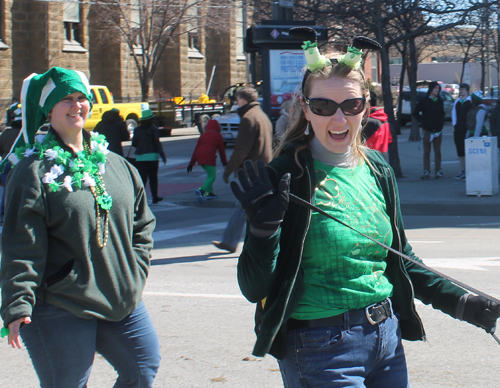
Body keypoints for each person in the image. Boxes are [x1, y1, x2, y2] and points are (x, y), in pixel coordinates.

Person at [230, 29, 500, 387]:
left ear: (365, 107)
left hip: (386, 340)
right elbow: (254, 289)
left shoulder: (377, 168)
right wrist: (262, 232)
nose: (339, 120)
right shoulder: (285, 176)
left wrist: (463, 303)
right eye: (324, 106)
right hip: (319, 349)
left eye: (351, 106)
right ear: (305, 108)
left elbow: (400, 258)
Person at [0, 67, 160, 387]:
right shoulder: (34, 171)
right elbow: (21, 242)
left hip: (120, 297)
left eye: (81, 98)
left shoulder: (116, 164)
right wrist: (18, 301)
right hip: (61, 303)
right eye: (66, 100)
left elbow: (142, 223)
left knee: (142, 366)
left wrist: (135, 270)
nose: (76, 106)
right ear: (50, 109)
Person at [212, 85, 273, 253]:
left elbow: (241, 150)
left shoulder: (248, 118)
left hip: (252, 170)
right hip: (263, 168)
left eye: (238, 99)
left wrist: (228, 169)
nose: (237, 102)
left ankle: (230, 241)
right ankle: (236, 241)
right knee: (255, 208)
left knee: (244, 206)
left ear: (242, 100)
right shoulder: (262, 116)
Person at [187, 119, 227, 203]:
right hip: (209, 156)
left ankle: (209, 193)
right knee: (212, 176)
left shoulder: (203, 135)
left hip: (199, 156)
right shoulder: (218, 136)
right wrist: (224, 162)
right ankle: (202, 190)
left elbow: (196, 149)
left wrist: (191, 163)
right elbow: (221, 150)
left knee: (209, 175)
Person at [132, 109, 167, 204]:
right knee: (153, 178)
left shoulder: (137, 130)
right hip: (152, 157)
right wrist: (162, 155)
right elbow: (157, 143)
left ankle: (140, 199)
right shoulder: (153, 129)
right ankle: (155, 197)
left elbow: (134, 143)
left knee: (142, 179)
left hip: (140, 157)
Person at [413, 81, 445, 179]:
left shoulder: (440, 100)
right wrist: (423, 122)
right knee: (427, 151)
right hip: (427, 130)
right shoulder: (424, 101)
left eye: (438, 88)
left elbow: (442, 113)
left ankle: (438, 170)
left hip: (438, 130)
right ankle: (426, 170)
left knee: (437, 151)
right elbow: (415, 112)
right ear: (431, 89)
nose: (437, 90)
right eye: (435, 88)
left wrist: (441, 123)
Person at [0, 102, 22, 218]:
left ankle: (3, 212)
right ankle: (11, 213)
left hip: (4, 163)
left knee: (6, 188)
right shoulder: (22, 134)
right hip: (16, 163)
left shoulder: (5, 133)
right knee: (15, 189)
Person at [362, 90, 392, 160]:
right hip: (383, 156)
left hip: (369, 157)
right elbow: (389, 139)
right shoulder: (384, 118)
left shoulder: (368, 121)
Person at [451, 83, 472, 180]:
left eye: (463, 89)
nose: (461, 91)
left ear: (467, 90)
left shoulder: (470, 101)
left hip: (467, 129)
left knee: (468, 151)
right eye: (461, 89)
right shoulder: (457, 102)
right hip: (458, 130)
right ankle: (462, 170)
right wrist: (455, 125)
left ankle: (469, 171)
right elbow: (453, 114)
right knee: (460, 151)